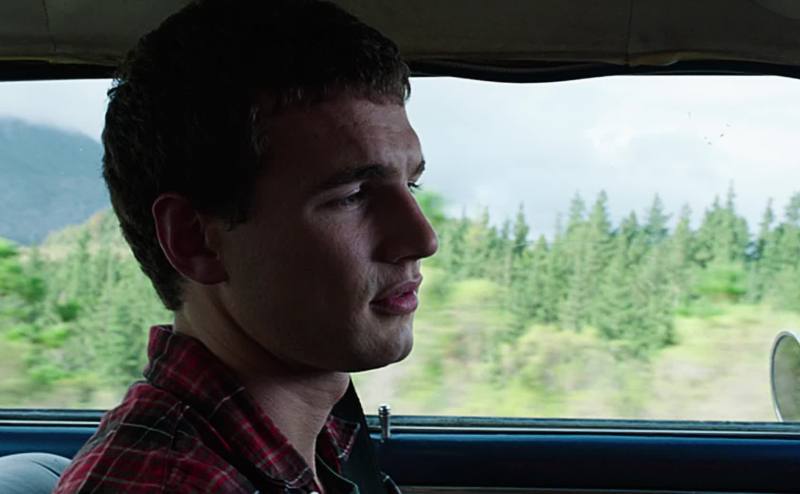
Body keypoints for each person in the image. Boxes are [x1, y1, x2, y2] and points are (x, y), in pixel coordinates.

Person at [53, 0, 437, 492]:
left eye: (411, 184)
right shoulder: (164, 483)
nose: (422, 239)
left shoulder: (319, 435)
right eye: (352, 195)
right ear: (195, 240)